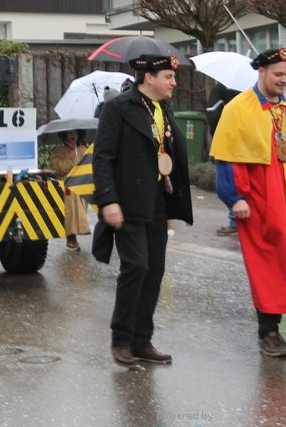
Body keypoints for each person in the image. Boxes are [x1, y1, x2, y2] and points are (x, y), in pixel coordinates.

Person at [210, 47, 286, 358]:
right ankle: (268, 330)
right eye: (278, 75)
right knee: (267, 264)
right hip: (260, 197)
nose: (283, 81)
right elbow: (227, 158)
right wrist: (235, 198)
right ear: (261, 72)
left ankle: (276, 324)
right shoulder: (239, 109)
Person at [92, 54, 193, 366]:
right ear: (148, 78)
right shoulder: (118, 108)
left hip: (157, 203)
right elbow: (103, 157)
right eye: (168, 77)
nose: (174, 83)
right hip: (128, 203)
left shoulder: (164, 109)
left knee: (155, 270)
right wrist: (108, 200)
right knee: (136, 266)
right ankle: (121, 339)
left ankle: (141, 340)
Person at [204, 82, 240, 237]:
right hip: (247, 144)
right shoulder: (252, 91)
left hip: (226, 142)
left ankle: (235, 221)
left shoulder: (220, 89)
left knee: (226, 184)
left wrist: (217, 133)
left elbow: (212, 113)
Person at [50, 129, 91, 250]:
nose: (73, 135)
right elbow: (58, 167)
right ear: (64, 135)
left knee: (80, 210)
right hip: (67, 185)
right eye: (69, 133)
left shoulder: (84, 150)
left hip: (83, 183)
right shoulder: (58, 151)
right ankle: (71, 237)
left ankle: (77, 233)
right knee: (70, 210)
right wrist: (73, 160)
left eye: (75, 133)